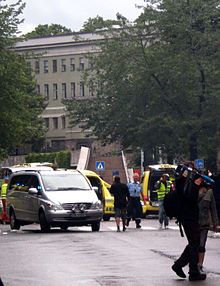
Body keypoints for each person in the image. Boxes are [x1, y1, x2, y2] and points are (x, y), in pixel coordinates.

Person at [171, 164, 207, 281]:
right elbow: (190, 200)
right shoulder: (184, 183)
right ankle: (191, 271)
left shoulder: (182, 182)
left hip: (188, 217)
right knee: (194, 243)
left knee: (193, 243)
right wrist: (196, 186)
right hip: (189, 217)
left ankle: (186, 268)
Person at [198, 182, 218, 273]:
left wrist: (215, 223)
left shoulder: (210, 192)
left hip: (204, 223)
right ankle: (194, 264)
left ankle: (200, 265)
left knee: (202, 245)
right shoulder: (193, 190)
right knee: (194, 245)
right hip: (194, 223)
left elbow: (213, 208)